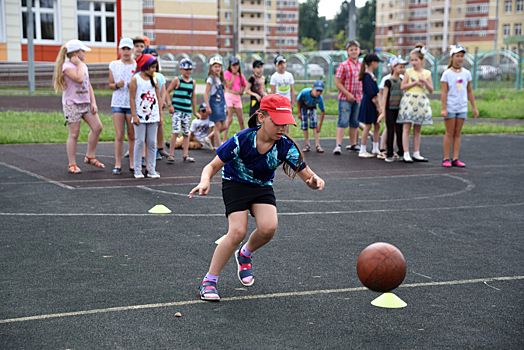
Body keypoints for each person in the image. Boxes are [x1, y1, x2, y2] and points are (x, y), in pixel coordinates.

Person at [188, 94, 325, 301]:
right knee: (237, 231)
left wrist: (315, 182)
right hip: (236, 184)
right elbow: (212, 165)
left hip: (261, 187)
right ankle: (209, 280)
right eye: (277, 123)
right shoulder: (242, 139)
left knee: (269, 228)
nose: (282, 129)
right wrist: (205, 180)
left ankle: (245, 253)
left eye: (285, 124)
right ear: (261, 117)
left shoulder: (285, 146)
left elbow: (308, 176)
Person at [52, 39, 104, 174]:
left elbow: (88, 84)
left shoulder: (83, 66)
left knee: (97, 127)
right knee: (74, 134)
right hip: (72, 104)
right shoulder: (67, 66)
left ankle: (90, 156)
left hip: (85, 103)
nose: (84, 53)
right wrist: (79, 64)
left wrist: (93, 102)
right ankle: (72, 164)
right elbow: (79, 78)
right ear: (74, 53)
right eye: (82, 51)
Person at [440, 45, 479, 167]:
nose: (460, 58)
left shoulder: (466, 73)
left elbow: (469, 91)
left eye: (462, 56)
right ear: (452, 57)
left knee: (458, 133)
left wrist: (474, 107)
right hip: (451, 107)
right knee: (449, 132)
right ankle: (446, 158)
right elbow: (444, 92)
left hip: (462, 107)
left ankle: (455, 158)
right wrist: (444, 108)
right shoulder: (447, 74)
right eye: (457, 56)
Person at [397, 44, 434, 163]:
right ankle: (406, 152)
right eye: (412, 60)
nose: (413, 62)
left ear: (422, 61)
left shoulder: (427, 73)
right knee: (407, 127)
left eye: (416, 60)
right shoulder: (408, 71)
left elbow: (431, 89)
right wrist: (415, 83)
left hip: (421, 101)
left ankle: (416, 152)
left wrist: (425, 82)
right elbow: (403, 86)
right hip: (409, 100)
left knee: (417, 128)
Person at [129, 53, 163, 179]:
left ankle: (151, 169)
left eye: (155, 67)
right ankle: (137, 169)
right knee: (139, 142)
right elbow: (132, 99)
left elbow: (157, 98)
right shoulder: (135, 79)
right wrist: (134, 115)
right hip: (139, 116)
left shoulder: (155, 80)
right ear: (144, 66)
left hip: (153, 116)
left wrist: (160, 115)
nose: (154, 70)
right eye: (152, 67)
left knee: (152, 142)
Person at [109, 38, 136, 175]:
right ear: (120, 50)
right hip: (118, 103)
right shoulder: (114, 65)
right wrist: (116, 85)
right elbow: (110, 85)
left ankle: (132, 162)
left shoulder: (136, 65)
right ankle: (117, 163)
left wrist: (133, 86)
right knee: (119, 134)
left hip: (131, 104)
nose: (126, 52)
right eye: (123, 49)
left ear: (132, 50)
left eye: (128, 49)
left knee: (132, 134)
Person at [166, 58, 198, 163]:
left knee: (186, 133)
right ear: (181, 69)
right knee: (175, 132)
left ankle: (185, 155)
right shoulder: (177, 80)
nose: (188, 71)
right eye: (185, 69)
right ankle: (171, 154)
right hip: (177, 110)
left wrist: (195, 111)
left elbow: (193, 97)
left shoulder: (193, 82)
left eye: (190, 69)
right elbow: (167, 92)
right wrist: (170, 105)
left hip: (187, 111)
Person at [334, 40, 362, 154]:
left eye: (356, 49)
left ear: (359, 51)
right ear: (347, 52)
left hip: (358, 97)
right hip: (345, 98)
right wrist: (347, 94)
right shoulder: (343, 65)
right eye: (351, 50)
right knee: (343, 121)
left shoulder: (361, 65)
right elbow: (338, 82)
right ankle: (338, 145)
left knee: (355, 122)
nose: (354, 51)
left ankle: (353, 144)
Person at [379, 56, 408, 162]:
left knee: (400, 130)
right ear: (394, 67)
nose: (402, 69)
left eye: (403, 67)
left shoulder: (402, 80)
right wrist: (383, 111)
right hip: (390, 109)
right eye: (400, 67)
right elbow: (385, 97)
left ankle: (401, 151)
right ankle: (389, 153)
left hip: (400, 109)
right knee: (390, 130)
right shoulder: (388, 81)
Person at [142, 48, 169, 161]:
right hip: (146, 107)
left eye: (155, 55)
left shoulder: (160, 77)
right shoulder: (141, 76)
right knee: (145, 131)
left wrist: (160, 106)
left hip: (156, 107)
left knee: (158, 127)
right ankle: (144, 153)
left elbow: (162, 94)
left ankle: (159, 148)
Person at [357, 53, 382, 158]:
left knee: (377, 125)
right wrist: (376, 101)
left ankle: (375, 148)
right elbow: (369, 91)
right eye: (377, 62)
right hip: (369, 102)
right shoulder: (367, 76)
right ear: (373, 63)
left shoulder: (372, 75)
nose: (378, 65)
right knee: (368, 125)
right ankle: (362, 149)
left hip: (373, 102)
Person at [296, 80, 326, 153]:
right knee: (304, 125)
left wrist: (320, 125)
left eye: (320, 91)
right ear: (313, 88)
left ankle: (317, 145)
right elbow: (298, 100)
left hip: (312, 108)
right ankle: (307, 145)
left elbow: (323, 111)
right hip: (304, 107)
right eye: (317, 90)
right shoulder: (304, 92)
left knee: (314, 125)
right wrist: (299, 112)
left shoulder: (320, 98)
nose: (318, 93)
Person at [204, 56, 227, 147]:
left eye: (219, 66)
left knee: (224, 125)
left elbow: (222, 94)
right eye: (215, 66)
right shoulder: (211, 79)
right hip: (214, 105)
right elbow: (206, 93)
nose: (217, 68)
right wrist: (208, 106)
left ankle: (208, 137)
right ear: (211, 67)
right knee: (217, 126)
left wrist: (225, 106)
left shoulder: (219, 78)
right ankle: (220, 145)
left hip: (220, 104)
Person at [223, 56, 247, 141]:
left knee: (241, 120)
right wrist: (233, 75)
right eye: (233, 65)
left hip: (237, 97)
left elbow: (245, 84)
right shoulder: (227, 73)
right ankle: (224, 139)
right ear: (230, 66)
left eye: (237, 65)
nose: (235, 67)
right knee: (229, 119)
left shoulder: (241, 76)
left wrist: (242, 91)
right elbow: (228, 85)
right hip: (229, 95)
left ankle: (244, 138)